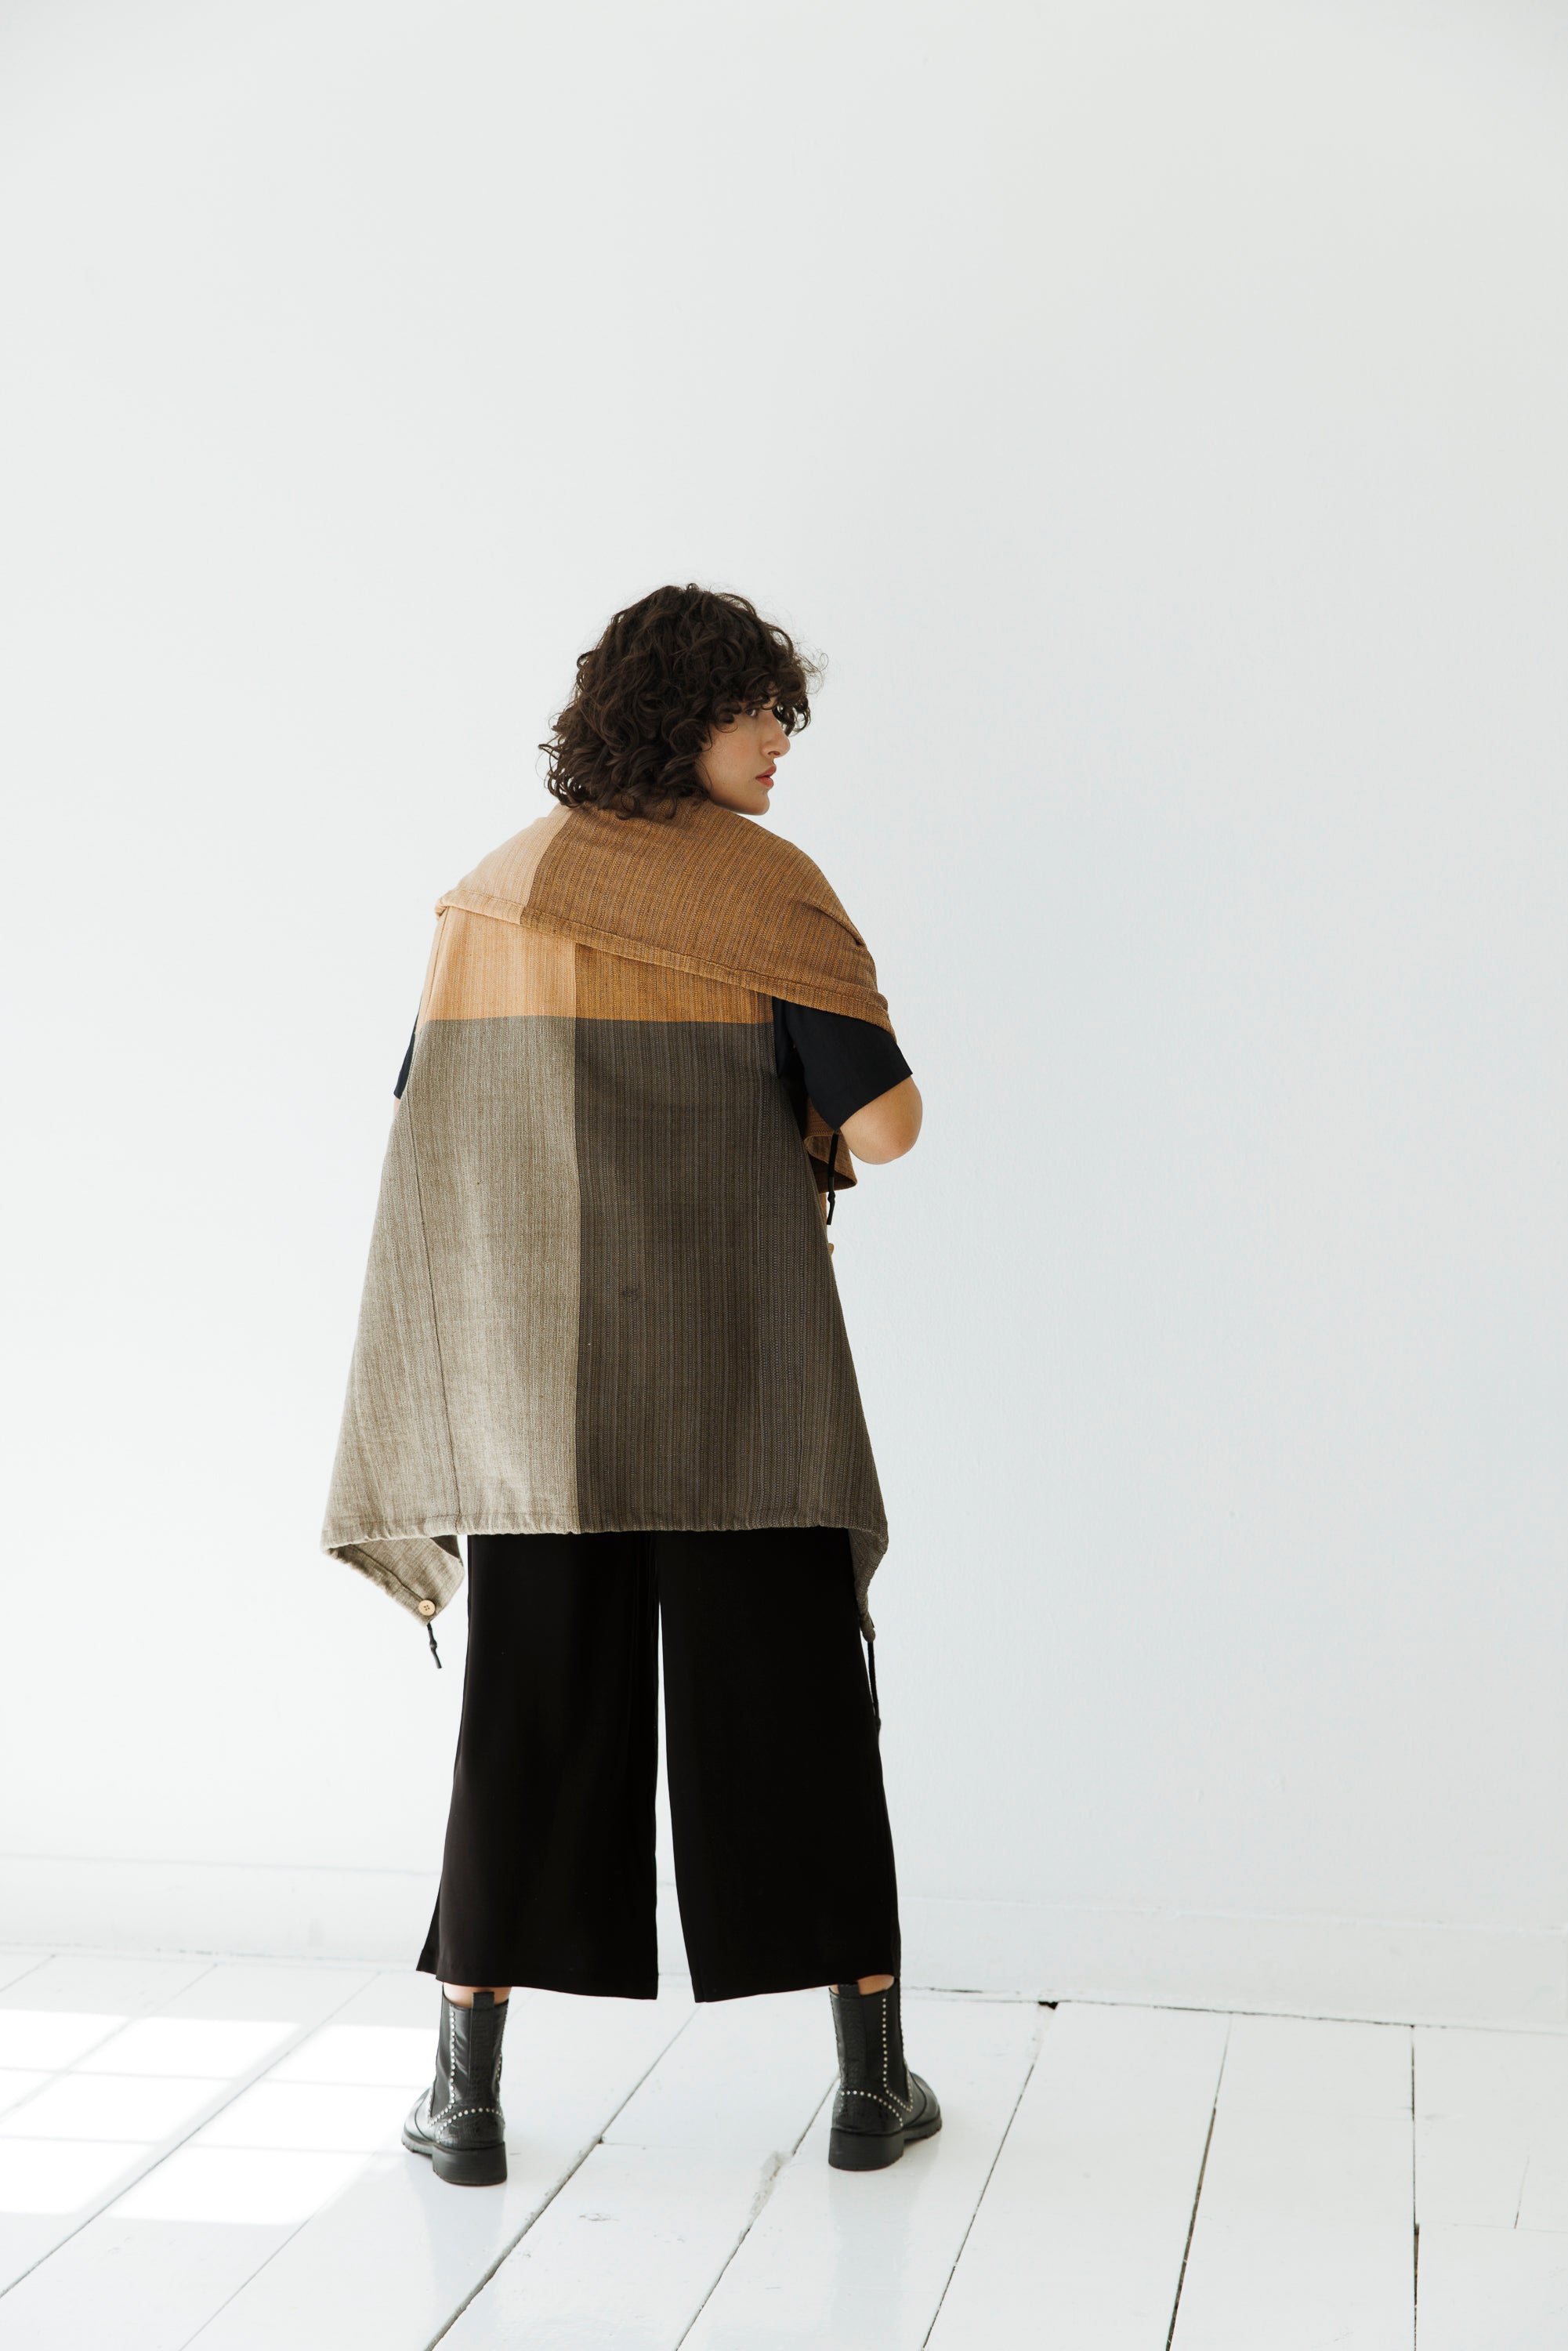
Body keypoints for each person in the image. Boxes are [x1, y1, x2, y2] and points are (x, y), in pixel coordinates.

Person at [321, 583, 940, 2186]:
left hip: (544, 1404)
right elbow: (884, 1130)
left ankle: (464, 2096)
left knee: (527, 1724)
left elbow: (437, 1136)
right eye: (758, 710)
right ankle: (870, 2086)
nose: (779, 741)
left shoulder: (495, 895)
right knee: (796, 1714)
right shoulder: (764, 891)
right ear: (684, 716)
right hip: (742, 1385)